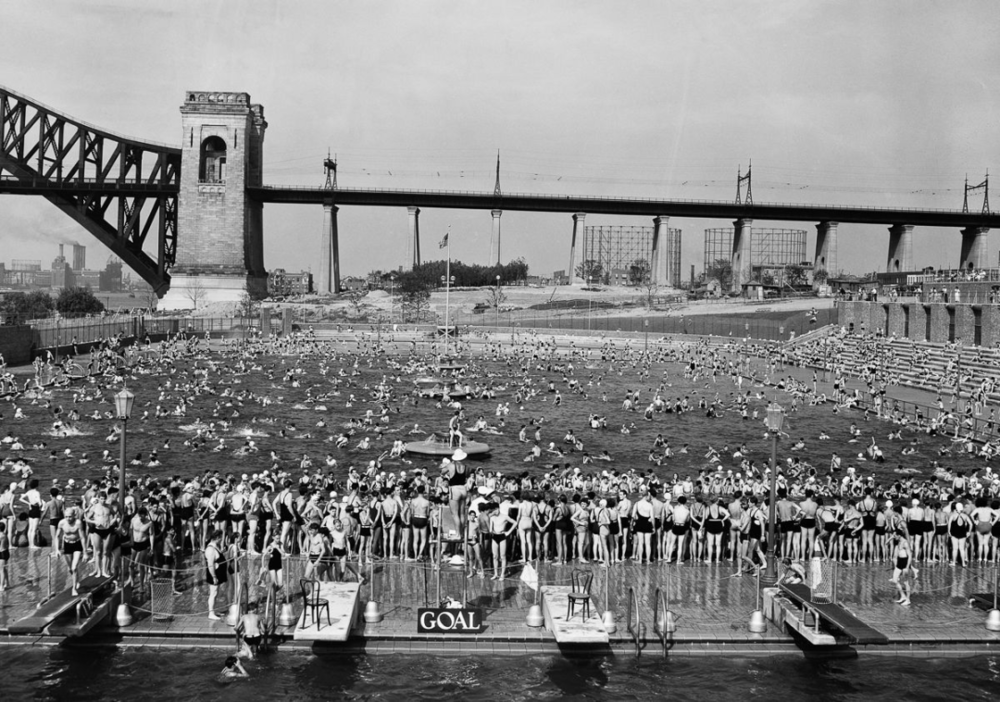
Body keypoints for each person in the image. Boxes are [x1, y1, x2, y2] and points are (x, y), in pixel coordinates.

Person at [205, 529, 227, 620]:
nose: (222, 539)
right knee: (213, 593)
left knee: (215, 593)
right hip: (213, 574)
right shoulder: (210, 549)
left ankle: (213, 610)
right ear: (217, 538)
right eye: (221, 537)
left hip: (217, 574)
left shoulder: (215, 546)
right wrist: (214, 576)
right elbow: (210, 565)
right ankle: (211, 613)